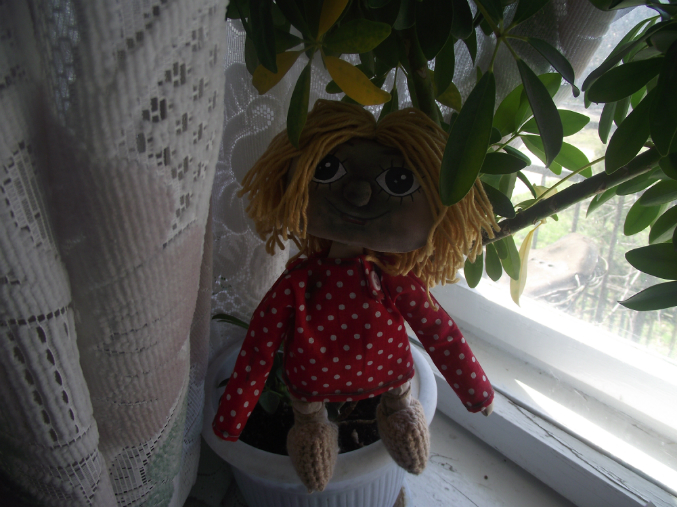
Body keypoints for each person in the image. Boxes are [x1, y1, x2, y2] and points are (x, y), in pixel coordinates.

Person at [213, 99, 497, 492]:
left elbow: (440, 333)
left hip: (387, 375)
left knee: (397, 399)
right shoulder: (299, 283)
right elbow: (258, 345)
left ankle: (397, 412)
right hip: (313, 384)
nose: (360, 193)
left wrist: (475, 389)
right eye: (327, 170)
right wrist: (232, 415)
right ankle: (312, 428)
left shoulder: (392, 279)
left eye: (398, 182)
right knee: (309, 415)